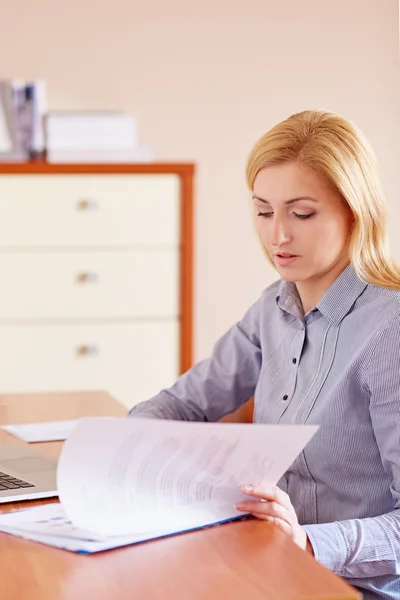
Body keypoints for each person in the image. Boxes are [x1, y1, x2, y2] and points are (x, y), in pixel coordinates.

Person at [129, 109, 400, 600]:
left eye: (301, 214)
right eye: (263, 211)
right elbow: (184, 403)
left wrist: (308, 541)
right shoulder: (274, 307)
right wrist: (121, 449)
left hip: (348, 587)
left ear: (354, 212)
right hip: (270, 569)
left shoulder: (390, 331)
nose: (277, 235)